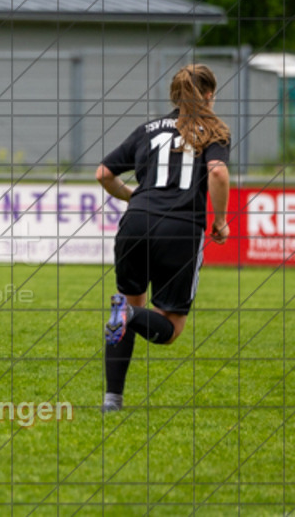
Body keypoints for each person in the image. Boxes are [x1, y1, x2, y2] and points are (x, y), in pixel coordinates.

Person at [97, 64, 231, 412]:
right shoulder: (213, 131)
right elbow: (217, 173)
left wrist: (133, 198)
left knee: (130, 308)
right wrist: (220, 221)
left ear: (173, 95)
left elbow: (104, 173)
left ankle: (112, 400)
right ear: (208, 95)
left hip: (135, 224)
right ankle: (125, 315)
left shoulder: (147, 129)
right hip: (180, 228)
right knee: (169, 329)